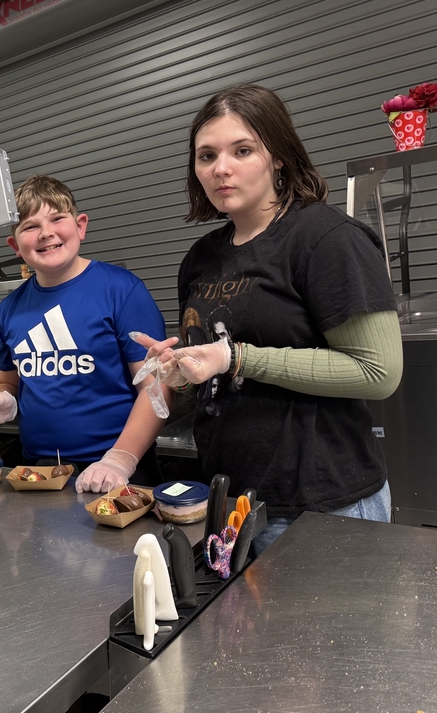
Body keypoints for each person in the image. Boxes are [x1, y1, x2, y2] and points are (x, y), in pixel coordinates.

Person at [136, 83, 402, 553]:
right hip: (233, 503)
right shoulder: (200, 259)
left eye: (242, 150)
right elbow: (213, 374)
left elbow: (377, 372)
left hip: (322, 506)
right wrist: (177, 371)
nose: (221, 168)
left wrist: (236, 357)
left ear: (277, 156)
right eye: (206, 155)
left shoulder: (326, 238)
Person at [0, 174, 169, 493]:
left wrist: (119, 460)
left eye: (57, 219)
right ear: (15, 245)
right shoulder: (9, 308)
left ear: (80, 226)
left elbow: (158, 387)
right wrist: (5, 401)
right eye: (29, 226)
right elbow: (9, 381)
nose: (46, 233)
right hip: (38, 471)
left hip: (115, 471)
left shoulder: (121, 290)